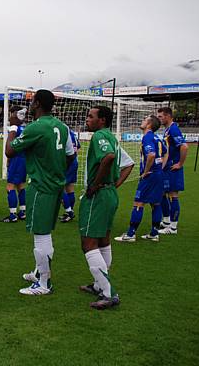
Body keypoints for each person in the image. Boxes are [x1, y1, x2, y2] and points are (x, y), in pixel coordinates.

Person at [5, 90, 75, 296]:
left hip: (40, 186)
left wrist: (12, 126)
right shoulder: (62, 126)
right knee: (45, 233)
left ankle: (44, 284)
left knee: (40, 235)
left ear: (37, 104)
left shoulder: (35, 127)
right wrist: (55, 168)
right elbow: (70, 155)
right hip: (55, 185)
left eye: (32, 101)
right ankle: (39, 272)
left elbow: (9, 151)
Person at [77, 106, 126, 309]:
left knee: (88, 242)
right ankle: (99, 285)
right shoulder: (110, 136)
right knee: (103, 239)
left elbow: (109, 158)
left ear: (102, 120)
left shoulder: (99, 136)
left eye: (91, 116)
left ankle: (108, 292)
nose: (87, 119)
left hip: (99, 194)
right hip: (110, 193)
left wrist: (95, 184)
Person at [115, 115, 165, 243]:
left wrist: (146, 171)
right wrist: (159, 168)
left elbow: (152, 155)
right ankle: (154, 233)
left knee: (138, 203)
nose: (142, 121)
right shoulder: (157, 138)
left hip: (150, 176)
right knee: (156, 203)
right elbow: (165, 152)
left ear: (149, 124)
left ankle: (131, 234)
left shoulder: (147, 137)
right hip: (158, 174)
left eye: (144, 119)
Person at [157, 107, 188, 235]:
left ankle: (173, 227)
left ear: (168, 116)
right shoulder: (168, 129)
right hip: (167, 168)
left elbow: (184, 147)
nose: (159, 119)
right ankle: (166, 221)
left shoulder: (174, 129)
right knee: (163, 193)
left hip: (173, 169)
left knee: (173, 195)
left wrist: (180, 164)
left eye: (161, 116)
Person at [2, 105, 28, 223]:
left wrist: (9, 160)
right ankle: (22, 212)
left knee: (10, 186)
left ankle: (12, 215)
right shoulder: (24, 128)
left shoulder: (15, 129)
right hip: (23, 159)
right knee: (21, 185)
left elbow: (11, 147)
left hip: (16, 159)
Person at [59, 128, 81, 223]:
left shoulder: (63, 134)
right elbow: (78, 148)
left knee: (60, 188)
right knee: (70, 188)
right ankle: (69, 213)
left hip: (66, 162)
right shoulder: (73, 134)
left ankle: (69, 212)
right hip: (74, 162)